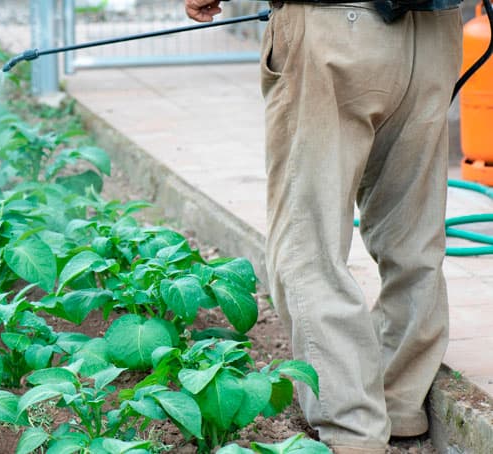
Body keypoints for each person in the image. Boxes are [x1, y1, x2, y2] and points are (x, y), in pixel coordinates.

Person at [185, 0, 463, 453]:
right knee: (412, 236)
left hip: (335, 28)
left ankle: (354, 428)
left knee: (308, 243)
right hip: (434, 34)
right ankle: (398, 404)